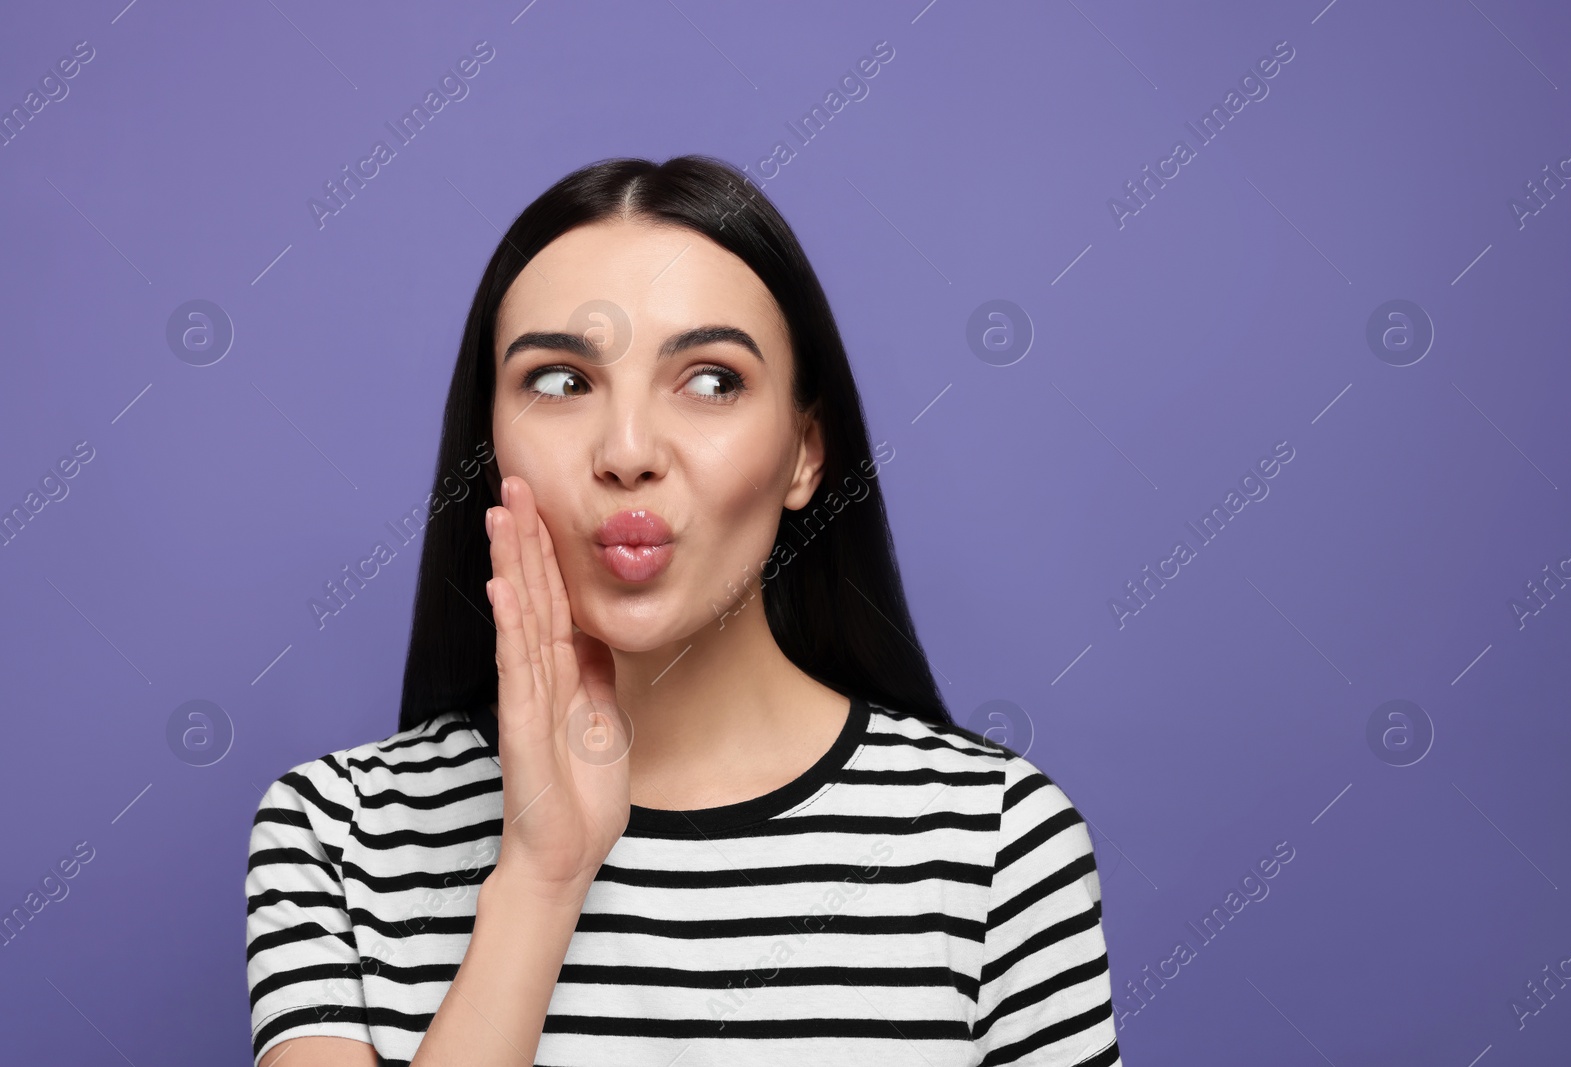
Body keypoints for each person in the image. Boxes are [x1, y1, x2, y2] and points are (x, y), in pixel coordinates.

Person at [244, 155, 1122, 1067]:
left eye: (711, 381)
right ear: (490, 441)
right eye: (559, 381)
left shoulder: (994, 843)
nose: (627, 452)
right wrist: (541, 880)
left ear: (803, 455)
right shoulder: (337, 834)